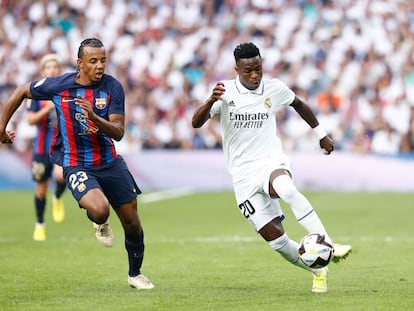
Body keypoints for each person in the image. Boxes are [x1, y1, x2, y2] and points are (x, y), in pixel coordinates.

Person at [192, 42, 351, 293]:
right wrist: (211, 100)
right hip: (243, 176)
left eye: (258, 69)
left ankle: (329, 242)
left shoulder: (273, 88)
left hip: (270, 161)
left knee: (286, 188)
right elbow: (196, 122)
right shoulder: (224, 92)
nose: (254, 75)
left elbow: (298, 103)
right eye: (248, 71)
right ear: (237, 70)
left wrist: (321, 133)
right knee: (277, 242)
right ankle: (319, 269)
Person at [0, 38, 153, 290]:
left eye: (103, 60)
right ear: (80, 64)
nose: (100, 66)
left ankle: (135, 274)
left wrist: (94, 117)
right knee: (101, 209)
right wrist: (2, 128)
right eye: (93, 61)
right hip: (76, 163)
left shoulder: (112, 88)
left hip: (110, 162)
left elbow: (118, 132)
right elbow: (21, 92)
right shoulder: (59, 85)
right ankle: (98, 220)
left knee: (132, 222)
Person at [27, 53, 67, 241]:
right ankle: (40, 223)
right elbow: (30, 120)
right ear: (43, 71)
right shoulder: (36, 94)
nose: (52, 70)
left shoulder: (65, 91)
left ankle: (57, 198)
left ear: (59, 71)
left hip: (60, 147)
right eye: (48, 67)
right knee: (41, 189)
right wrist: (47, 108)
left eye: (55, 67)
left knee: (62, 176)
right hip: (42, 149)